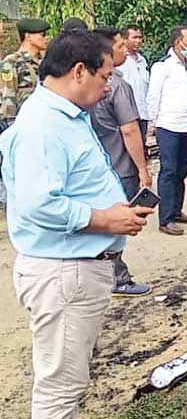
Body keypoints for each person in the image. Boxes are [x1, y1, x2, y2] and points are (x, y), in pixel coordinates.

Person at [1, 30, 154, 418]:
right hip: (64, 273)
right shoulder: (43, 126)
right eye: (105, 77)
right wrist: (105, 219)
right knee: (60, 389)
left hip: (76, 269)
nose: (108, 87)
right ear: (80, 71)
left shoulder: (66, 115)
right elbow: (40, 204)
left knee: (68, 381)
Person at [90, 26, 153, 297]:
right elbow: (129, 129)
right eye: (118, 46)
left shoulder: (84, 86)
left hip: (96, 167)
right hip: (119, 165)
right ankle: (117, 278)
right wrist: (142, 169)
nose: (124, 49)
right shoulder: (116, 84)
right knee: (117, 225)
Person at [147, 25, 187, 236]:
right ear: (178, 42)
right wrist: (156, 122)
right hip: (168, 125)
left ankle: (177, 210)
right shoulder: (163, 67)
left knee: (182, 170)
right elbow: (153, 96)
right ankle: (166, 218)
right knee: (168, 171)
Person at [0, 18, 50, 120]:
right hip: (23, 121)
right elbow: (8, 97)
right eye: (43, 34)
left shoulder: (46, 62)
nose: (47, 38)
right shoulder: (12, 62)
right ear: (28, 37)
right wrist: (10, 125)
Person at [120, 25, 151, 145]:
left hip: (142, 112)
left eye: (140, 37)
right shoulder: (120, 61)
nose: (138, 41)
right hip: (126, 113)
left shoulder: (142, 61)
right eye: (134, 37)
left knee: (141, 144)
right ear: (125, 39)